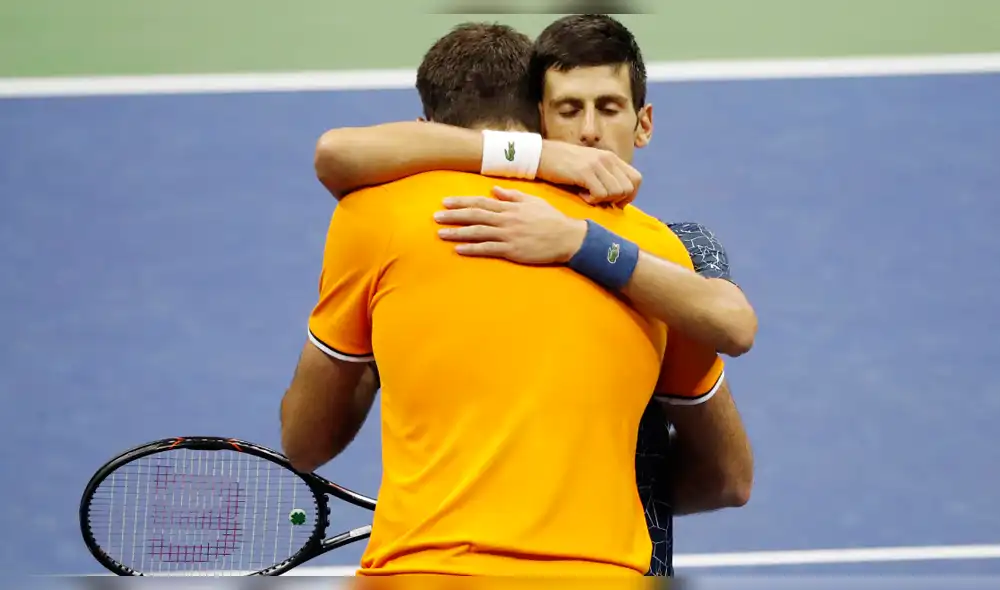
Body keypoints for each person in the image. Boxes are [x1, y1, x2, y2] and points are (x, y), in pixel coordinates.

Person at [311, 14, 756, 576]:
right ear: (540, 122)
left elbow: (735, 340)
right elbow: (337, 151)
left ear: (644, 124)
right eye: (570, 110)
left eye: (609, 108)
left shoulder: (674, 247)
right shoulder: (482, 223)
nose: (590, 132)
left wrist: (577, 242)